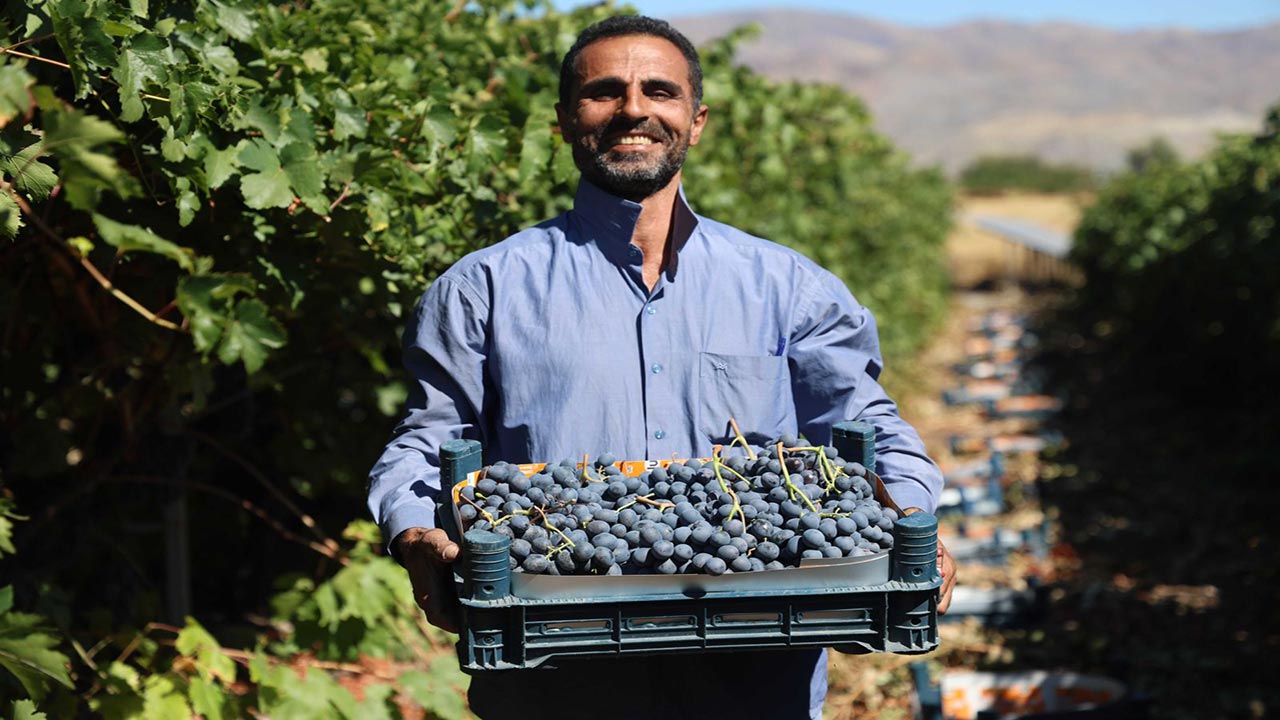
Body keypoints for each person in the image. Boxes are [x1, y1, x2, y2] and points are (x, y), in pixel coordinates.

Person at [368, 14, 955, 719]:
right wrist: (412, 530)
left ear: (695, 119)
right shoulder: (481, 291)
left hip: (756, 674)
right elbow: (428, 438)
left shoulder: (788, 288)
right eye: (605, 91)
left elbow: (868, 427)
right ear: (564, 120)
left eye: (659, 91)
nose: (634, 109)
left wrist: (911, 518)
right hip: (553, 670)